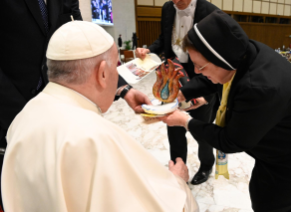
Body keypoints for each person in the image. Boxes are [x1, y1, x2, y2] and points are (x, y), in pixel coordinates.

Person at [1, 21, 198, 212]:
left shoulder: (25, 115)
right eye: (115, 69)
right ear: (103, 73)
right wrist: (178, 182)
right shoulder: (93, 138)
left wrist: (125, 92)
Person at [160, 10, 291, 211]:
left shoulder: (259, 87)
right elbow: (216, 81)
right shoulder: (240, 56)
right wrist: (184, 92)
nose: (197, 72)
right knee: (262, 195)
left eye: (201, 66)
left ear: (222, 60)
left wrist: (185, 121)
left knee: (277, 204)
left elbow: (230, 140)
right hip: (276, 151)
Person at [0, 0, 150, 208]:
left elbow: (84, 38)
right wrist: (22, 117)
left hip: (59, 104)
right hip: (11, 109)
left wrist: (122, 88)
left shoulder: (87, 134)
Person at [135, 0, 220, 185]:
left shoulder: (211, 12)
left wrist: (206, 95)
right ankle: (177, 165)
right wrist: (148, 49)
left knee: (201, 130)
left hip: (200, 77)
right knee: (173, 127)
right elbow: (165, 38)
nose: (177, 2)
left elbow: (218, 59)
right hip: (172, 74)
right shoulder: (167, 8)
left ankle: (206, 165)